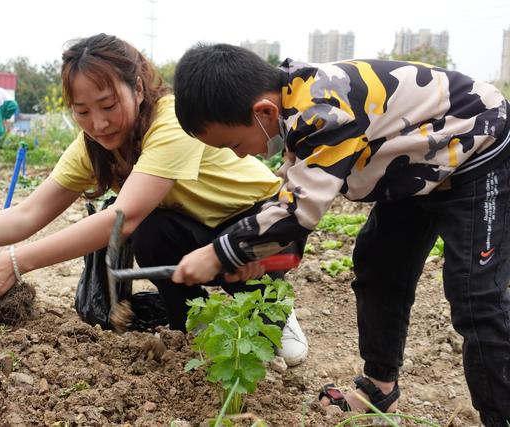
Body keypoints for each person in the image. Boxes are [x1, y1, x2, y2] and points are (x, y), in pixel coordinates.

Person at [171, 43, 510, 426]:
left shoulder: (322, 109)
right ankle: (379, 387)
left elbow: (294, 213)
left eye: (232, 145)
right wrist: (262, 256)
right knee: (379, 264)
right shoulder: (291, 103)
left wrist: (219, 252)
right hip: (420, 163)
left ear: (262, 112)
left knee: (475, 296)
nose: (239, 156)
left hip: (478, 146)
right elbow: (294, 196)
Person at [0, 34, 308, 366]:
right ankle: (190, 328)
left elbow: (125, 215)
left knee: (141, 225)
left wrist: (16, 262)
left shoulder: (173, 121)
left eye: (108, 105)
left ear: (137, 87)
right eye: (82, 111)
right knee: (153, 232)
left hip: (262, 218)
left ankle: (273, 306)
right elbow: (28, 213)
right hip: (198, 229)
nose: (99, 123)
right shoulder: (92, 147)